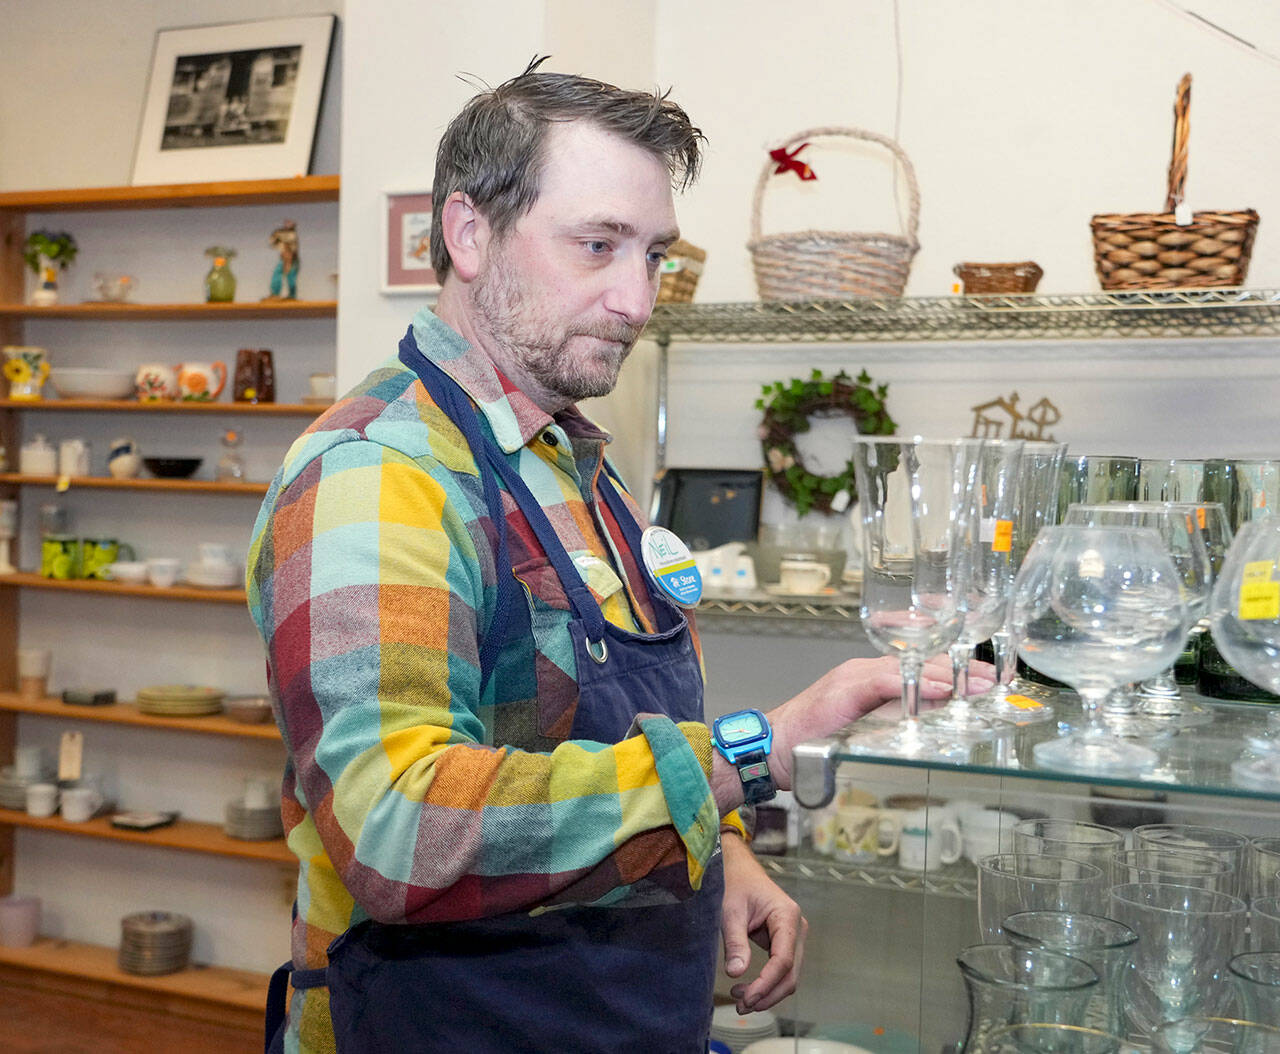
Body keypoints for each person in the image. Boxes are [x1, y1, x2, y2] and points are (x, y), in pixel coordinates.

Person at [248, 59, 989, 1054]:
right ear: (470, 233)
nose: (636, 301)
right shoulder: (374, 476)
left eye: (653, 256)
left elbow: (615, 728)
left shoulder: (572, 457)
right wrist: (751, 753)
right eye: (596, 246)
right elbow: (399, 833)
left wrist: (721, 850)